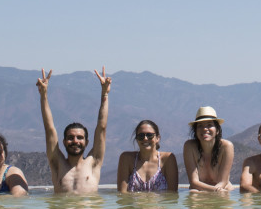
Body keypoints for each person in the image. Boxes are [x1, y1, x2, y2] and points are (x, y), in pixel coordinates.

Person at [37, 66, 111, 194]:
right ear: (64, 142)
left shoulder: (93, 162)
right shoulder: (57, 164)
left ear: (87, 142)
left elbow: (101, 128)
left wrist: (105, 94)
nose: (75, 141)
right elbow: (49, 129)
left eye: (80, 138)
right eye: (70, 138)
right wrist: (43, 95)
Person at [182, 106, 236, 192]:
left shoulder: (226, 146)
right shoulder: (189, 146)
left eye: (209, 125)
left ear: (217, 130)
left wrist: (216, 191)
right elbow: (193, 182)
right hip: (201, 190)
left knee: (224, 192)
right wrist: (213, 191)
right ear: (195, 130)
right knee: (193, 192)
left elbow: (223, 182)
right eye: (200, 126)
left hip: (222, 189)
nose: (204, 129)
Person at [117, 119, 179, 192]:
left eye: (149, 135)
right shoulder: (127, 159)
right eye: (141, 136)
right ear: (137, 139)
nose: (145, 138)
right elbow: (122, 194)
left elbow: (172, 194)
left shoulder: (167, 159)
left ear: (157, 138)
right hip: (133, 203)